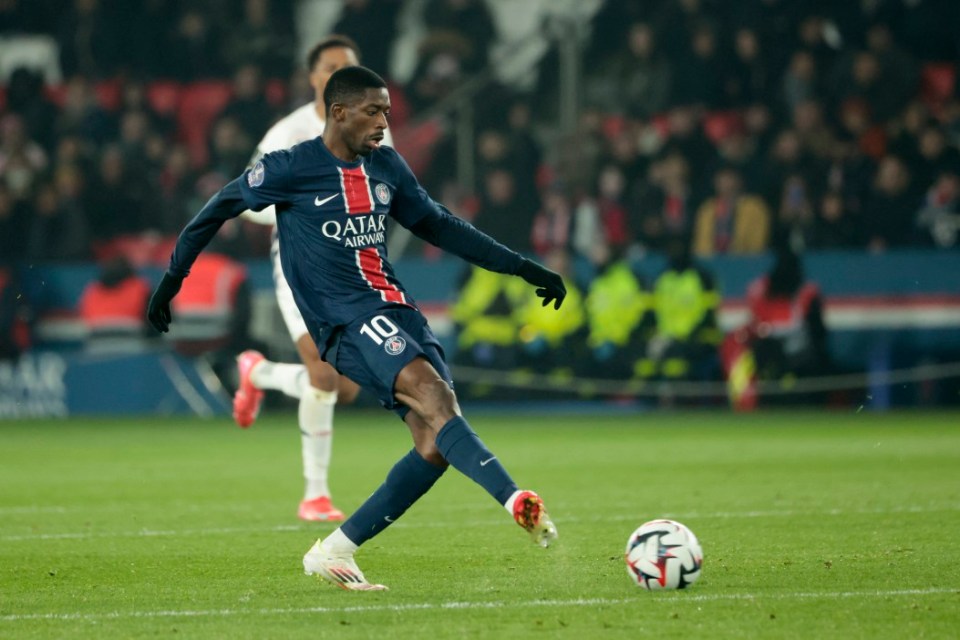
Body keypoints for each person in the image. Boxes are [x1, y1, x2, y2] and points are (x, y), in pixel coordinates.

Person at [147, 66, 566, 591]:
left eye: (388, 112)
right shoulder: (290, 167)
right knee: (436, 399)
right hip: (344, 322)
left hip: (397, 311)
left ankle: (334, 550)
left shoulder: (387, 165)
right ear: (338, 112)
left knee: (434, 444)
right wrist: (172, 279)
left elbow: (442, 226)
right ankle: (516, 499)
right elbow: (216, 209)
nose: (384, 123)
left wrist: (523, 267)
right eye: (374, 111)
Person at [231, 35, 392, 523]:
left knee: (345, 389)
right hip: (300, 265)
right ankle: (314, 495)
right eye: (331, 68)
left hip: (353, 268)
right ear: (314, 78)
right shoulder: (289, 132)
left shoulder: (377, 128)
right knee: (323, 377)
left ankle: (257, 373)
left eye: (350, 66)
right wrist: (293, 205)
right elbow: (247, 200)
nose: (340, 74)